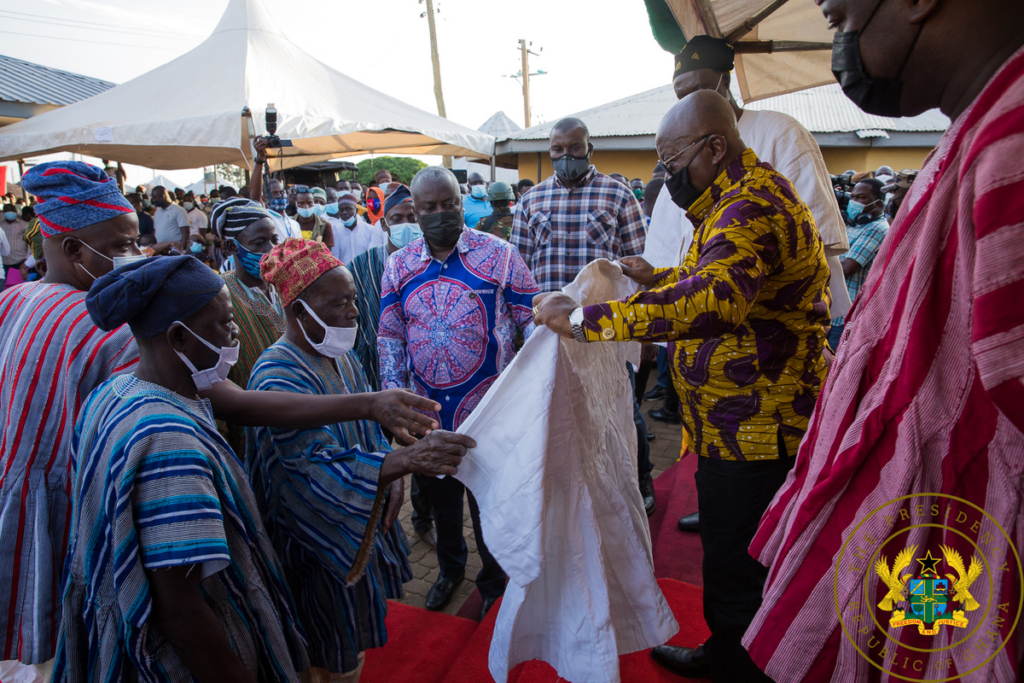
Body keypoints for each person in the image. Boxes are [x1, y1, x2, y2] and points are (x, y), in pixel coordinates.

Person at [0, 162, 447, 678]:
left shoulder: (17, 300)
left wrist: (379, 439)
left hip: (66, 515)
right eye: (122, 244)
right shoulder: (153, 405)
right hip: (94, 521)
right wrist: (382, 437)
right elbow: (179, 601)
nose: (134, 255)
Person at [744, 2, 1024, 681]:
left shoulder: (1013, 141)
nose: (832, 19)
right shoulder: (983, 127)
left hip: (947, 571)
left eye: (840, 17)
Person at [534, 90, 831, 682]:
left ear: (715, 146)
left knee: (736, 561)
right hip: (739, 420)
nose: (667, 179)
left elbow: (718, 301)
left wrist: (588, 321)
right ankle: (733, 651)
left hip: (755, 427)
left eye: (672, 165)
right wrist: (662, 276)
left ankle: (741, 665)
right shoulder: (738, 198)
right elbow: (733, 281)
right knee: (737, 553)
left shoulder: (747, 206)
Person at [55, 256, 308, 682]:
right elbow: (181, 610)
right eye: (225, 322)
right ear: (178, 336)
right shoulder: (169, 441)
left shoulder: (112, 392)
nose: (235, 331)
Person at [648, 35, 851, 536]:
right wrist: (656, 280)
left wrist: (590, 322)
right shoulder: (686, 148)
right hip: (712, 370)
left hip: (762, 375)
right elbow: (684, 254)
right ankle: (721, 506)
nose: (689, 99)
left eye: (698, 86)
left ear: (727, 77)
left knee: (755, 519)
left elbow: (809, 239)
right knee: (723, 481)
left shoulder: (778, 135)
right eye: (680, 90)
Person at [248, 238, 475, 681]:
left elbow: (367, 434)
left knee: (346, 648)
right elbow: (310, 470)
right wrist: (405, 463)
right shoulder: (277, 373)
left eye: (354, 300)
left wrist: (390, 476)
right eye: (339, 304)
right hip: (314, 548)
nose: (354, 312)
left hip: (353, 527)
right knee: (323, 654)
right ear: (298, 311)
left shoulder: (341, 357)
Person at [379, 166, 539, 617]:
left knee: (491, 501)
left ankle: (494, 579)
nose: (440, 213)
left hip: (491, 413)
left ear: (463, 201)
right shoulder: (399, 264)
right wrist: (395, 402)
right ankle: (450, 570)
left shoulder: (501, 255)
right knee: (444, 505)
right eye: (428, 207)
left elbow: (532, 319)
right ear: (416, 210)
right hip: (429, 415)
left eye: (448, 203)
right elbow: (389, 337)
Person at [510, 116, 654, 515]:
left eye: (574, 148)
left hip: (604, 325)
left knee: (620, 405)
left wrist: (640, 332)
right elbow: (518, 270)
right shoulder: (531, 201)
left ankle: (640, 476)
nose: (566, 157)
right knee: (553, 408)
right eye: (557, 150)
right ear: (550, 151)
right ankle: (563, 489)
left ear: (590, 149)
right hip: (549, 329)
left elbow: (638, 264)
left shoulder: (618, 194)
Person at [348, 186, 436, 548]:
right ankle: (374, 519)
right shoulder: (362, 265)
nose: (405, 225)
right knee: (374, 452)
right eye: (397, 219)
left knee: (418, 447)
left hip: (418, 379)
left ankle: (421, 516)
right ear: (384, 223)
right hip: (369, 376)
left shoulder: (429, 262)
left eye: (412, 218)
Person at [210, 198, 285, 455]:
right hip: (249, 429)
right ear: (232, 246)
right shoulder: (219, 295)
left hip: (299, 415)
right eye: (259, 242)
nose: (271, 249)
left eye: (274, 239)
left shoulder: (286, 285)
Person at [828, 178, 889, 351]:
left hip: (848, 316)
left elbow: (848, 267)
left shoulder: (877, 228)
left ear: (878, 203)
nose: (854, 202)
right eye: (852, 197)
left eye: (861, 197)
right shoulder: (855, 226)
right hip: (833, 314)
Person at [331, 193, 385, 264]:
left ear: (356, 211)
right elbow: (335, 258)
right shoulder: (336, 232)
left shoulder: (370, 230)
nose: (344, 212)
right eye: (341, 210)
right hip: (344, 273)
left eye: (348, 209)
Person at [295, 185, 335, 249]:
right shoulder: (289, 224)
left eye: (309, 202)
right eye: (301, 203)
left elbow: (327, 254)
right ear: (296, 204)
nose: (306, 206)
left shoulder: (325, 225)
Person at [151, 185, 190, 251]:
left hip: (174, 250)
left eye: (155, 198)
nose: (153, 200)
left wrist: (182, 250)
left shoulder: (178, 210)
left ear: (163, 196)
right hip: (160, 250)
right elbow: (155, 231)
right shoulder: (157, 212)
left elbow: (185, 232)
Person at [1, 202, 29, 287]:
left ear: (16, 212)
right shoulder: (1, 226)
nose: (9, 213)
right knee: (6, 288)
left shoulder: (24, 225)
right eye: (7, 211)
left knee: (21, 287)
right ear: (3, 213)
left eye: (11, 210)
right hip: (4, 262)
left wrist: (26, 260)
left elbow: (31, 243)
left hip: (20, 261)